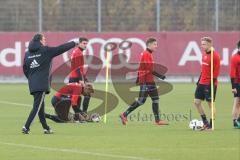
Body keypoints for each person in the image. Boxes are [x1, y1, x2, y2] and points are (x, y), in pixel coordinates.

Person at [22, 33, 79, 134]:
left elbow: (25, 69)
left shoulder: (27, 53)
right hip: (41, 84)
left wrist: (32, 79)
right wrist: (74, 43)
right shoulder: (45, 51)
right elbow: (60, 48)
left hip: (33, 84)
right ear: (40, 41)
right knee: (37, 107)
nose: (45, 41)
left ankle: (46, 128)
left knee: (40, 106)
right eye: (44, 39)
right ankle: (26, 127)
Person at [120, 37, 168, 125]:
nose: (156, 46)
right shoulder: (146, 54)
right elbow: (149, 69)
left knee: (155, 99)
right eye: (155, 44)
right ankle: (124, 114)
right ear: (149, 45)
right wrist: (160, 76)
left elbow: (142, 68)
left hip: (150, 81)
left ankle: (158, 121)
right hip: (146, 81)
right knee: (141, 101)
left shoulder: (148, 54)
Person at [194, 36, 220, 130]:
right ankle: (205, 122)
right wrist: (199, 80)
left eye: (204, 44)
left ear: (210, 44)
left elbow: (216, 73)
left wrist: (210, 84)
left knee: (210, 104)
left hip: (210, 83)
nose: (202, 46)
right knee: (196, 102)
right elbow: (203, 70)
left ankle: (211, 125)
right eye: (201, 44)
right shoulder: (204, 54)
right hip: (201, 82)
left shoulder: (215, 56)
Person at [69, 37, 91, 114]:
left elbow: (79, 68)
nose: (85, 45)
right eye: (84, 43)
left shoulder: (76, 51)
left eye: (86, 44)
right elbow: (77, 68)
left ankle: (78, 115)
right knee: (87, 94)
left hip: (74, 77)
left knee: (78, 98)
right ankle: (83, 114)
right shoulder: (78, 52)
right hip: (76, 78)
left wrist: (85, 78)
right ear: (79, 43)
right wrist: (81, 80)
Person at [229, 40, 240, 129]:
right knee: (237, 102)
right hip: (238, 83)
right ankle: (235, 121)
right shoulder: (235, 57)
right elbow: (232, 73)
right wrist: (233, 87)